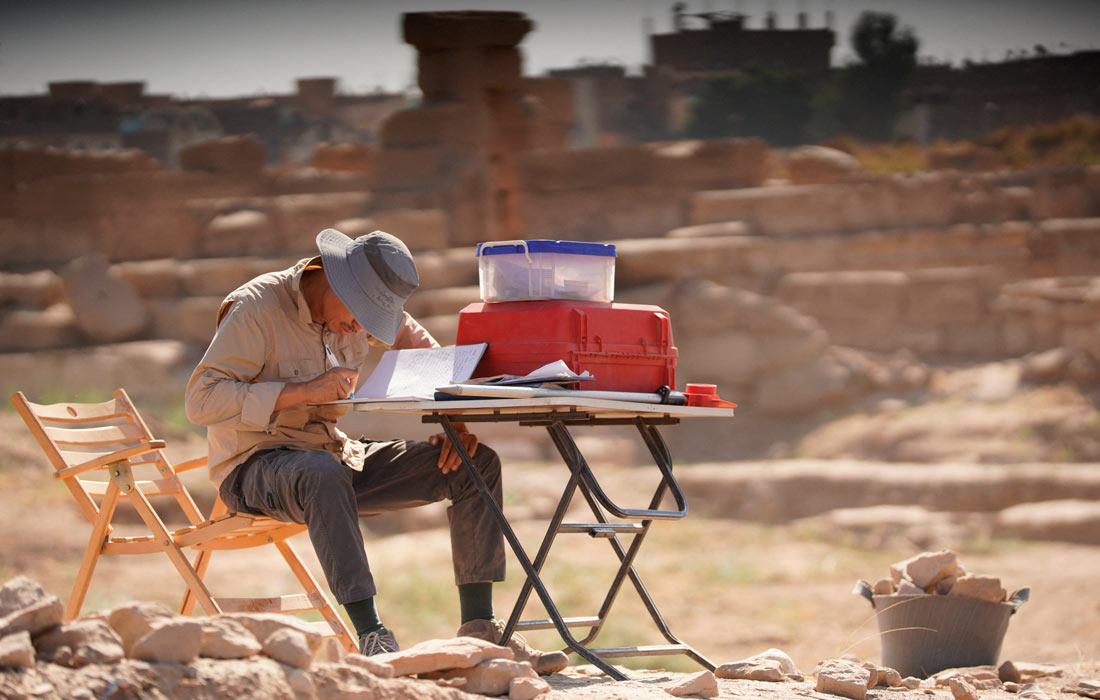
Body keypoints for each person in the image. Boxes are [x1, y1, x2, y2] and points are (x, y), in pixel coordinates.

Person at [185, 228, 567, 673]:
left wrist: (456, 427)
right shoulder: (256, 308)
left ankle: (480, 628)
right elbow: (201, 400)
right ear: (333, 280)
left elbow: (420, 346)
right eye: (358, 316)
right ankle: (372, 636)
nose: (360, 331)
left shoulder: (359, 315)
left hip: (333, 454)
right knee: (318, 473)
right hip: (256, 465)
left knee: (474, 464)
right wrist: (301, 392)